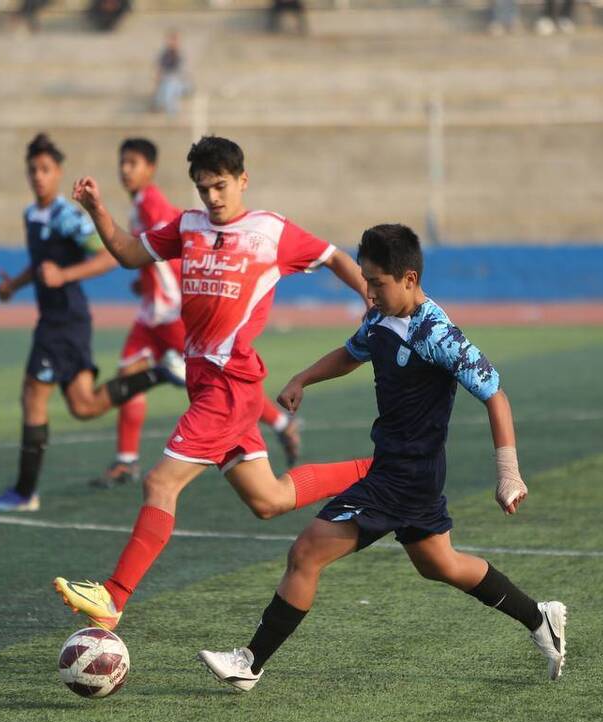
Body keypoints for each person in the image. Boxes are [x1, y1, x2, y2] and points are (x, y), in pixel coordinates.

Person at [197, 224, 567, 691]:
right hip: (405, 470)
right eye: (366, 281)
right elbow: (353, 353)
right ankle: (539, 617)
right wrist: (302, 379)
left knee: (306, 552)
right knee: (440, 564)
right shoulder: (379, 319)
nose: (368, 292)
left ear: (409, 278)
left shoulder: (438, 333)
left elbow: (495, 395)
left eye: (376, 283)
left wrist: (509, 474)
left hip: (403, 476)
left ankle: (250, 662)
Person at [54, 135, 372, 630]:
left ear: (243, 180)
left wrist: (368, 298)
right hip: (204, 383)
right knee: (268, 500)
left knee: (160, 482)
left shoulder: (270, 231)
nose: (214, 198)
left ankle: (114, 597)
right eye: (204, 189)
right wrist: (97, 208)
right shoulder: (187, 226)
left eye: (221, 187)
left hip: (229, 385)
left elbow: (332, 254)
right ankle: (376, 469)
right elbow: (125, 253)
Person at [0, 132, 184, 513]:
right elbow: (42, 265)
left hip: (64, 320)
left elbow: (109, 257)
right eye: (33, 170)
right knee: (84, 406)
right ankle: (160, 373)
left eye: (46, 169)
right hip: (60, 320)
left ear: (58, 174)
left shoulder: (67, 216)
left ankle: (24, 492)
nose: (38, 176)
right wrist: (15, 286)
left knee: (33, 395)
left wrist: (66, 276)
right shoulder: (31, 215)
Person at [91, 138, 302, 489]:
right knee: (130, 375)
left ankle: (280, 423)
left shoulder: (154, 203)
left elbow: (175, 247)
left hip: (173, 311)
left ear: (150, 168)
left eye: (133, 163)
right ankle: (126, 460)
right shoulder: (141, 203)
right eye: (122, 163)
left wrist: (171, 284)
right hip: (151, 313)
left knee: (219, 376)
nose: (125, 170)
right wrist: (145, 283)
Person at [151, 30, 187, 116]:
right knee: (167, 87)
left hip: (179, 82)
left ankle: (171, 112)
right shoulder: (164, 54)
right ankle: (168, 110)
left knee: (170, 87)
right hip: (167, 80)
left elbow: (183, 73)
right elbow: (159, 69)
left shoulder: (180, 54)